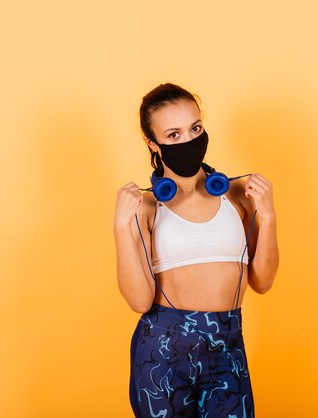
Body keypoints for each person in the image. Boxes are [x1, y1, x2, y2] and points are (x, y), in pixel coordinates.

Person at [113, 83, 279, 417]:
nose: (188, 140)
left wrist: (269, 215)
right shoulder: (145, 206)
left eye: (195, 128)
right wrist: (121, 227)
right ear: (152, 143)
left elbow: (262, 281)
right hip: (162, 351)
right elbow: (139, 301)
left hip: (227, 346)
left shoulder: (236, 194)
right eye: (173, 134)